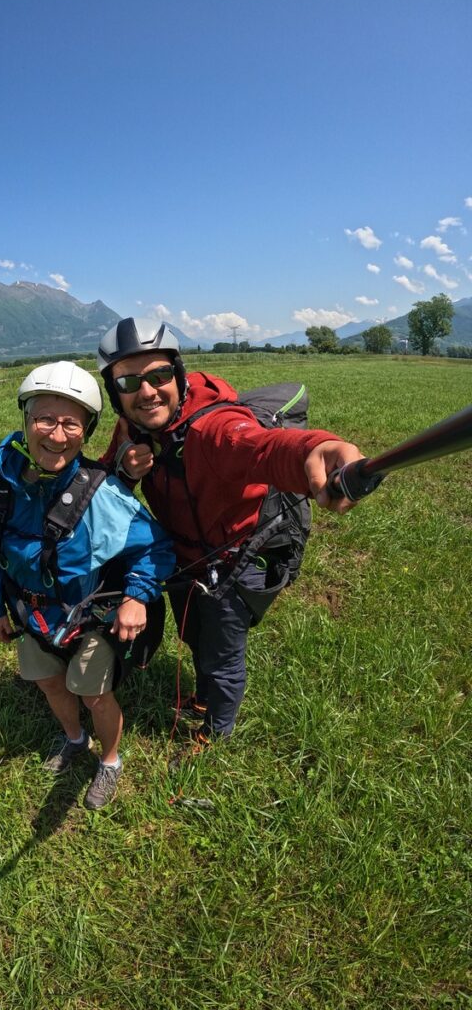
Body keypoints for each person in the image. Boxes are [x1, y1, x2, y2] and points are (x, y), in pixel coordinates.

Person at [97, 318, 366, 755]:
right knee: (194, 634)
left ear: (178, 375)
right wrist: (125, 468)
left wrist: (318, 450)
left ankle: (216, 734)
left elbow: (263, 447)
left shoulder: (213, 429)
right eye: (129, 381)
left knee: (222, 651)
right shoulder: (134, 427)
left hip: (237, 557)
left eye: (159, 375)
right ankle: (203, 696)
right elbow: (103, 481)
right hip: (185, 556)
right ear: (116, 394)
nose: (146, 391)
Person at [0, 361, 175, 809]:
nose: (56, 435)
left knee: (93, 692)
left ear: (87, 432)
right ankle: (74, 739)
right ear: (25, 419)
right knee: (50, 684)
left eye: (70, 424)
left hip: (86, 615)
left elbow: (155, 547)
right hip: (30, 611)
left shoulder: (99, 495)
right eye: (45, 419)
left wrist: (137, 598)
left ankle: (111, 761)